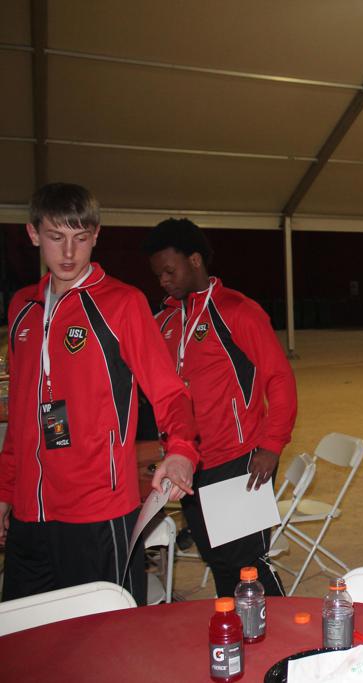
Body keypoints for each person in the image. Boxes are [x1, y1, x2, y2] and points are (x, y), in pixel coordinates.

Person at [0, 183, 198, 605]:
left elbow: (170, 393)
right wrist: (5, 492)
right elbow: (20, 417)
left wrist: (181, 449)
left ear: (96, 236)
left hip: (98, 511)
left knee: (105, 635)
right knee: (23, 634)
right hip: (29, 515)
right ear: (33, 234)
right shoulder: (22, 308)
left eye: (81, 237)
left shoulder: (122, 303)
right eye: (56, 237)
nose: (69, 252)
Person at [144, 218, 297, 597]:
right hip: (190, 465)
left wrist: (271, 445)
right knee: (217, 559)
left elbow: (279, 379)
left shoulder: (237, 311)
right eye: (158, 274)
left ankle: (278, 630)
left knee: (246, 565)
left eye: (170, 270)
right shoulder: (164, 321)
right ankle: (238, 628)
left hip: (239, 461)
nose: (163, 280)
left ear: (195, 260)